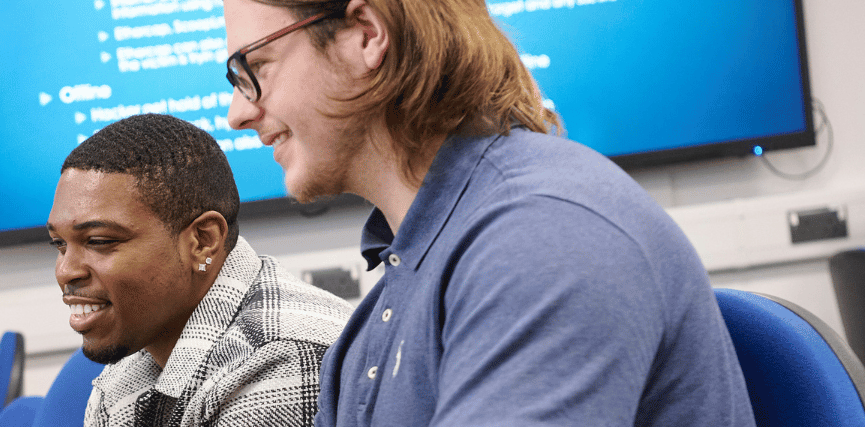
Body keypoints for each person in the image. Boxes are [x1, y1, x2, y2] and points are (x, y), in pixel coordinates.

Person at [217, 0, 756, 425]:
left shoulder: (544, 237)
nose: (238, 113)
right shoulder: (388, 300)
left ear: (367, 35)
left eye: (254, 66)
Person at [48, 113, 353, 426]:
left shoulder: (283, 358)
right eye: (58, 244)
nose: (65, 271)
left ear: (203, 241)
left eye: (99, 240)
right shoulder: (135, 359)